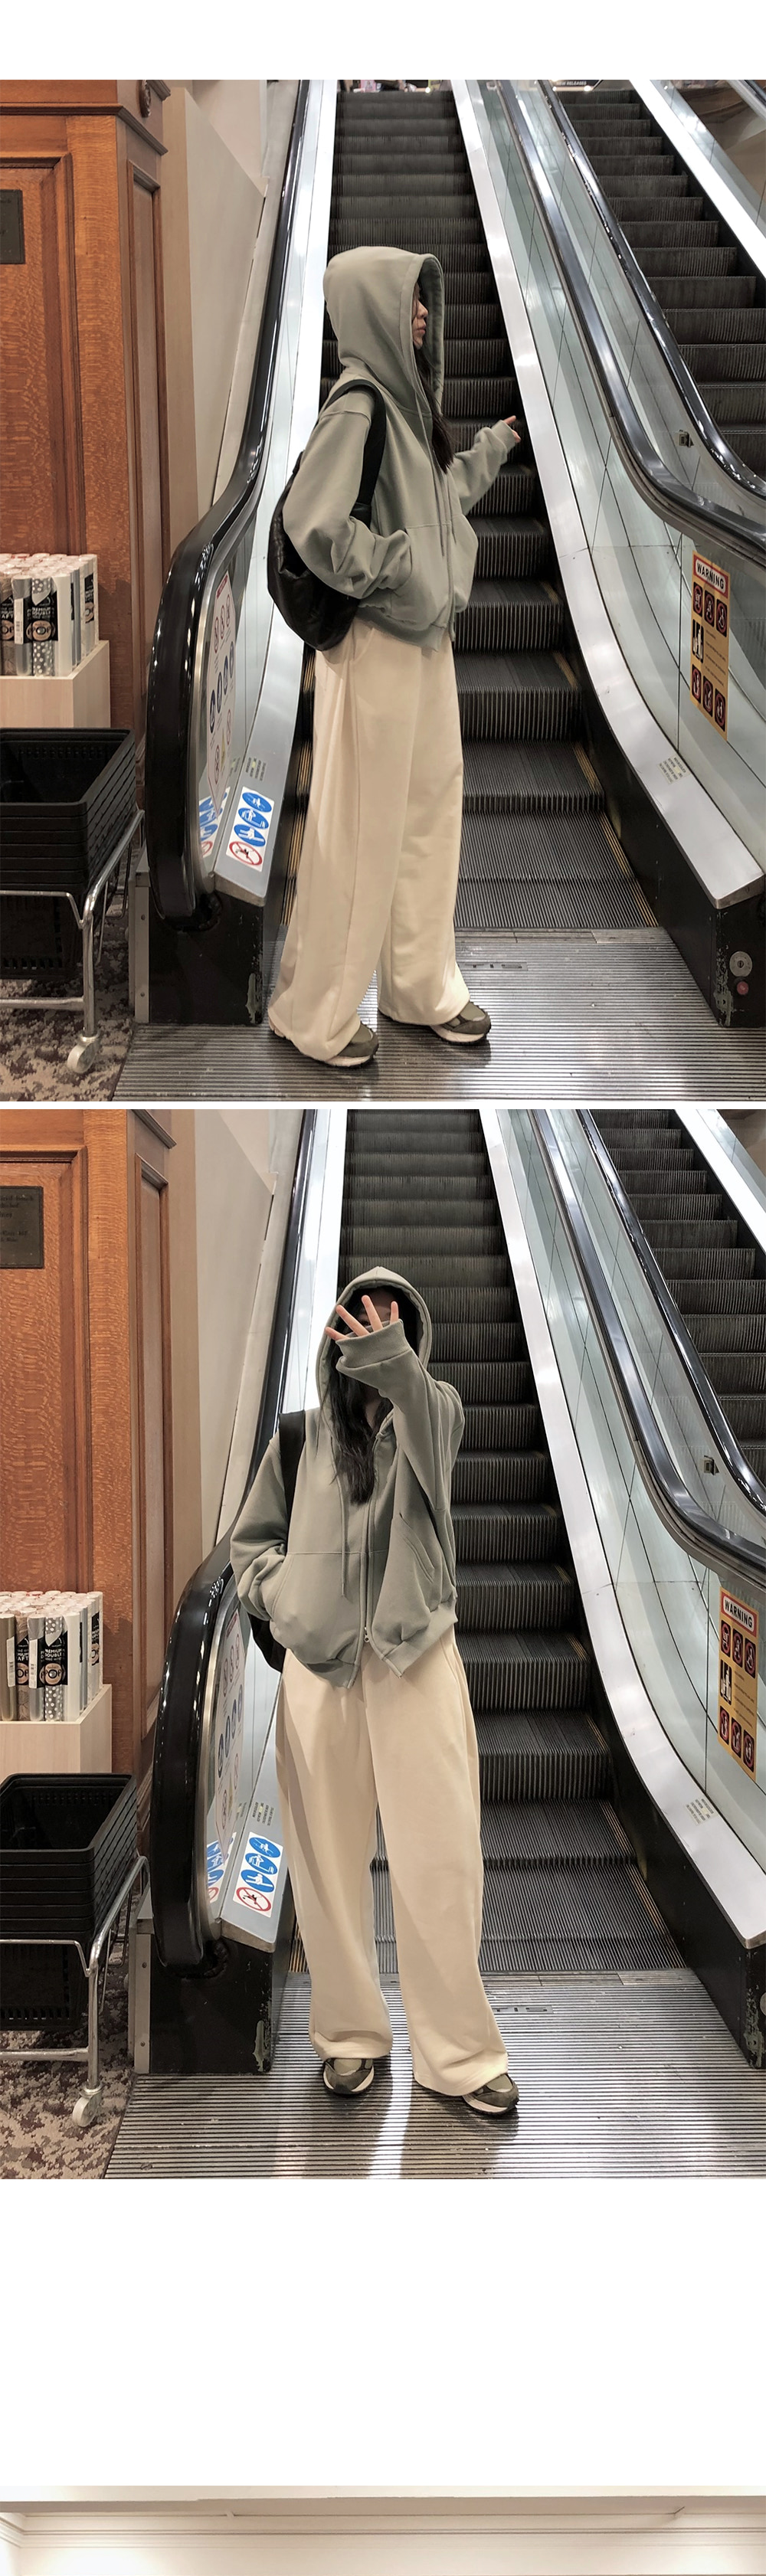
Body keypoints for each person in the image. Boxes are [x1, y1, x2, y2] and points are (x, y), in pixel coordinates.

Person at [231, 1268, 516, 2123]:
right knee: (324, 1862)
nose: (375, 1333)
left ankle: (458, 2054)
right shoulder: (300, 1438)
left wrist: (394, 1364)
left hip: (415, 1661)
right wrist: (291, 1599)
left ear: (412, 1339)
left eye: (394, 1324)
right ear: (332, 1339)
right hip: (321, 1672)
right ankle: (350, 2033)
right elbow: (250, 1547)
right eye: (360, 1322)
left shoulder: (437, 1412)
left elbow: (420, 1406)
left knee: (442, 1860)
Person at [270, 249, 520, 1074]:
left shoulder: (411, 409)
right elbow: (313, 521)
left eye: (424, 302)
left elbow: (438, 501)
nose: (422, 314)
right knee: (361, 828)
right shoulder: (360, 403)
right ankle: (316, 1013)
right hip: (378, 643)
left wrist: (491, 449)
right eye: (409, 301)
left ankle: (418, 987)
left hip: (425, 642)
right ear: (373, 309)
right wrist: (398, 567)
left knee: (426, 814)